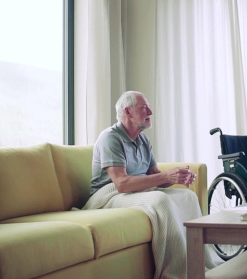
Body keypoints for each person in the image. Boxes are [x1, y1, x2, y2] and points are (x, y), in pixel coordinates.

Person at [82, 91, 220, 279]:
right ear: (128, 112)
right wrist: (166, 176)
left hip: (134, 191)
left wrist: (175, 177)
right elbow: (121, 183)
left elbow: (153, 175)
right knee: (159, 199)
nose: (151, 111)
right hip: (107, 195)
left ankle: (202, 265)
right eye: (144, 107)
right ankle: (176, 273)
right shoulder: (110, 138)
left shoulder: (143, 140)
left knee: (187, 196)